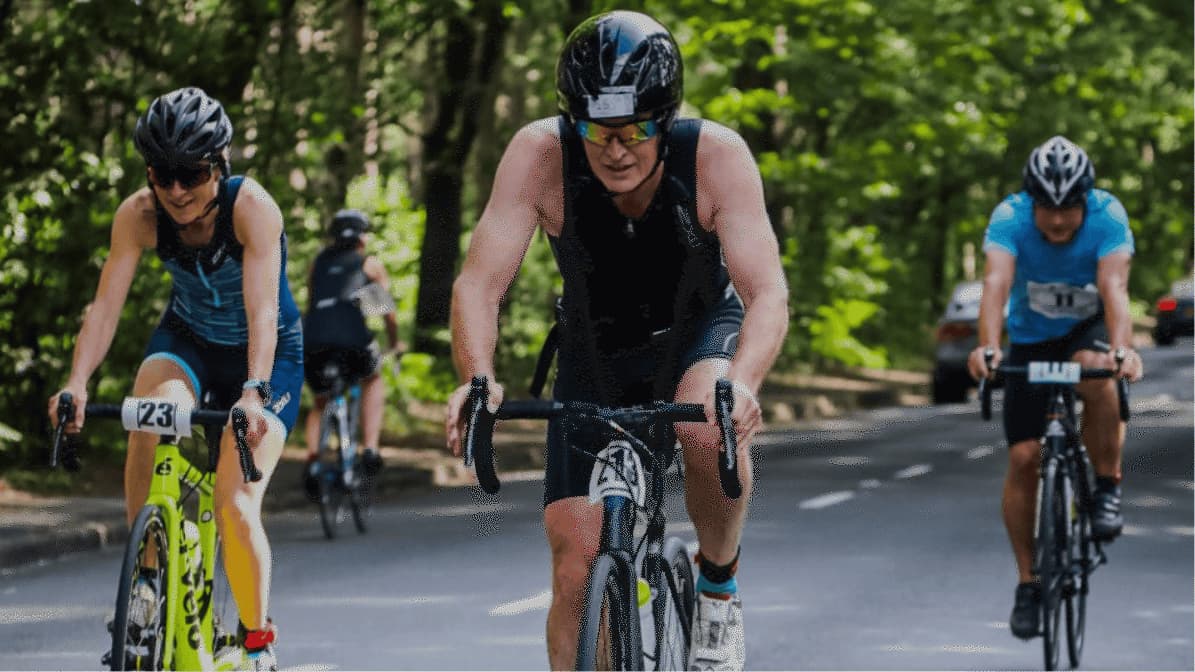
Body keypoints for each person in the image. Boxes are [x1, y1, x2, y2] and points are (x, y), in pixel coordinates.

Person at [444, 11, 788, 671]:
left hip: (695, 333)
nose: (615, 149)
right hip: (594, 349)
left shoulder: (714, 157)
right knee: (576, 562)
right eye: (595, 130)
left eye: (633, 129)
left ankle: (716, 586)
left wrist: (741, 384)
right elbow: (478, 285)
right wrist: (477, 376)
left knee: (707, 424)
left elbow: (767, 292)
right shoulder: (538, 156)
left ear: (665, 119)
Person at [47, 87, 299, 671]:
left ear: (220, 165)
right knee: (147, 409)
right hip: (186, 340)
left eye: (191, 173)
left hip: (264, 355)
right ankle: (148, 582)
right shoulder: (138, 215)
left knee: (235, 503)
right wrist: (78, 382)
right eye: (164, 174)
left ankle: (258, 640)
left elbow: (263, 310)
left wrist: (254, 394)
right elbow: (105, 305)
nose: (178, 191)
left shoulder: (251, 207)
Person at [967, 135, 1143, 641]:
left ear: (1087, 201)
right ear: (1031, 202)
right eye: (1048, 209)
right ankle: (1028, 581)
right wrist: (987, 348)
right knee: (1024, 458)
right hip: (1028, 340)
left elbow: (1115, 288)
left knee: (1098, 370)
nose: (1060, 221)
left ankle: (1107, 487)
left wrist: (1122, 350)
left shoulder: (1109, 217)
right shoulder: (1009, 218)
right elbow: (996, 285)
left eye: (1070, 209)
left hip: (1085, 331)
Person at [302, 208, 399, 492]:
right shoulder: (369, 264)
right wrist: (394, 343)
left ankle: (313, 460)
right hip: (353, 340)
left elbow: (313, 302)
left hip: (314, 340)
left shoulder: (317, 263)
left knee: (320, 400)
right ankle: (370, 448)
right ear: (362, 237)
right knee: (373, 377)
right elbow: (386, 312)